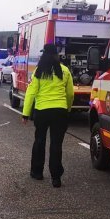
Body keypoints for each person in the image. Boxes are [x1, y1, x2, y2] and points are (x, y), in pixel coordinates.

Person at [21, 44, 73, 187]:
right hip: (60, 111)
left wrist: (25, 113)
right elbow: (70, 94)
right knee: (56, 145)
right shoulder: (65, 71)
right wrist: (67, 108)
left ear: (44, 55)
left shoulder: (39, 71)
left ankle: (37, 172)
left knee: (39, 141)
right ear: (57, 55)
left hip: (42, 111)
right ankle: (56, 177)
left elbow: (31, 93)